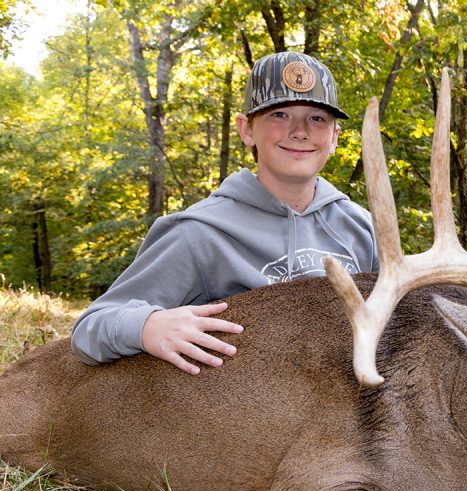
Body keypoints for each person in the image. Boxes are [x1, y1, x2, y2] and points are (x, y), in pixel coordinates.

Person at [71, 52, 378, 375]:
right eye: (280, 115)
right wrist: (147, 327)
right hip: (247, 413)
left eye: (317, 118)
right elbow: (90, 329)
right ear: (246, 130)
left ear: (334, 138)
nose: (300, 131)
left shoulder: (363, 229)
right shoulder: (199, 233)